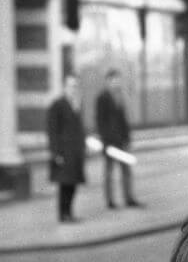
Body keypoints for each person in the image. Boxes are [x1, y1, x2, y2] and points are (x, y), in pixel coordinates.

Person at [95, 68, 141, 209]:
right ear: (108, 81)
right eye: (114, 80)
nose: (117, 83)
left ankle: (129, 198)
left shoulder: (120, 97)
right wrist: (105, 142)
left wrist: (128, 138)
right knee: (109, 172)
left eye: (118, 80)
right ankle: (110, 201)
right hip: (110, 142)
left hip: (122, 140)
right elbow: (100, 122)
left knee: (126, 170)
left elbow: (123, 121)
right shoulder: (102, 98)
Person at [46, 73, 86, 223]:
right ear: (65, 87)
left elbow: (79, 129)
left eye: (76, 86)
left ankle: (69, 212)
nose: (73, 89)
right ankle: (63, 214)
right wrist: (55, 152)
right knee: (65, 184)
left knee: (73, 184)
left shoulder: (77, 105)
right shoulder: (58, 105)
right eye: (71, 86)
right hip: (63, 152)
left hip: (75, 153)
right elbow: (52, 130)